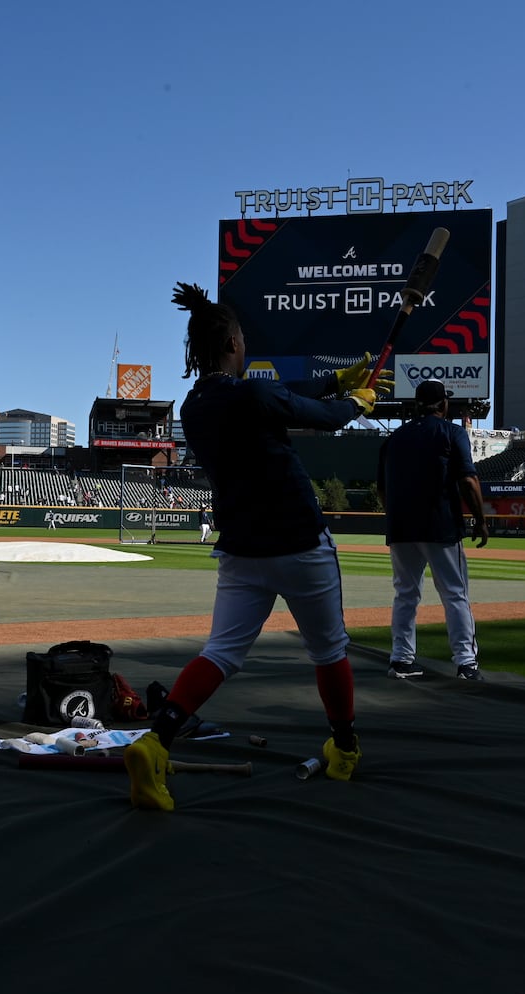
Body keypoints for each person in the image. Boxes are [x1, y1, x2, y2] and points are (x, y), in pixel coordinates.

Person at [122, 283, 384, 810]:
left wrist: (333, 379)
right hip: (299, 542)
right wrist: (354, 401)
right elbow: (314, 414)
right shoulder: (253, 396)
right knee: (329, 650)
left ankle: (156, 743)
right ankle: (345, 748)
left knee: (220, 652)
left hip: (241, 549)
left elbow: (282, 394)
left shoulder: (196, 405)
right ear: (234, 343)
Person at [377, 379, 489, 681]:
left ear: (416, 404)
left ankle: (400, 660)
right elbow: (468, 481)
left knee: (405, 594)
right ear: (443, 404)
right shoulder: (452, 433)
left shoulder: (394, 438)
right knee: (455, 594)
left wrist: (398, 515)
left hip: (400, 527)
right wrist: (480, 519)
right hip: (440, 525)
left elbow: (382, 491)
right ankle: (466, 663)